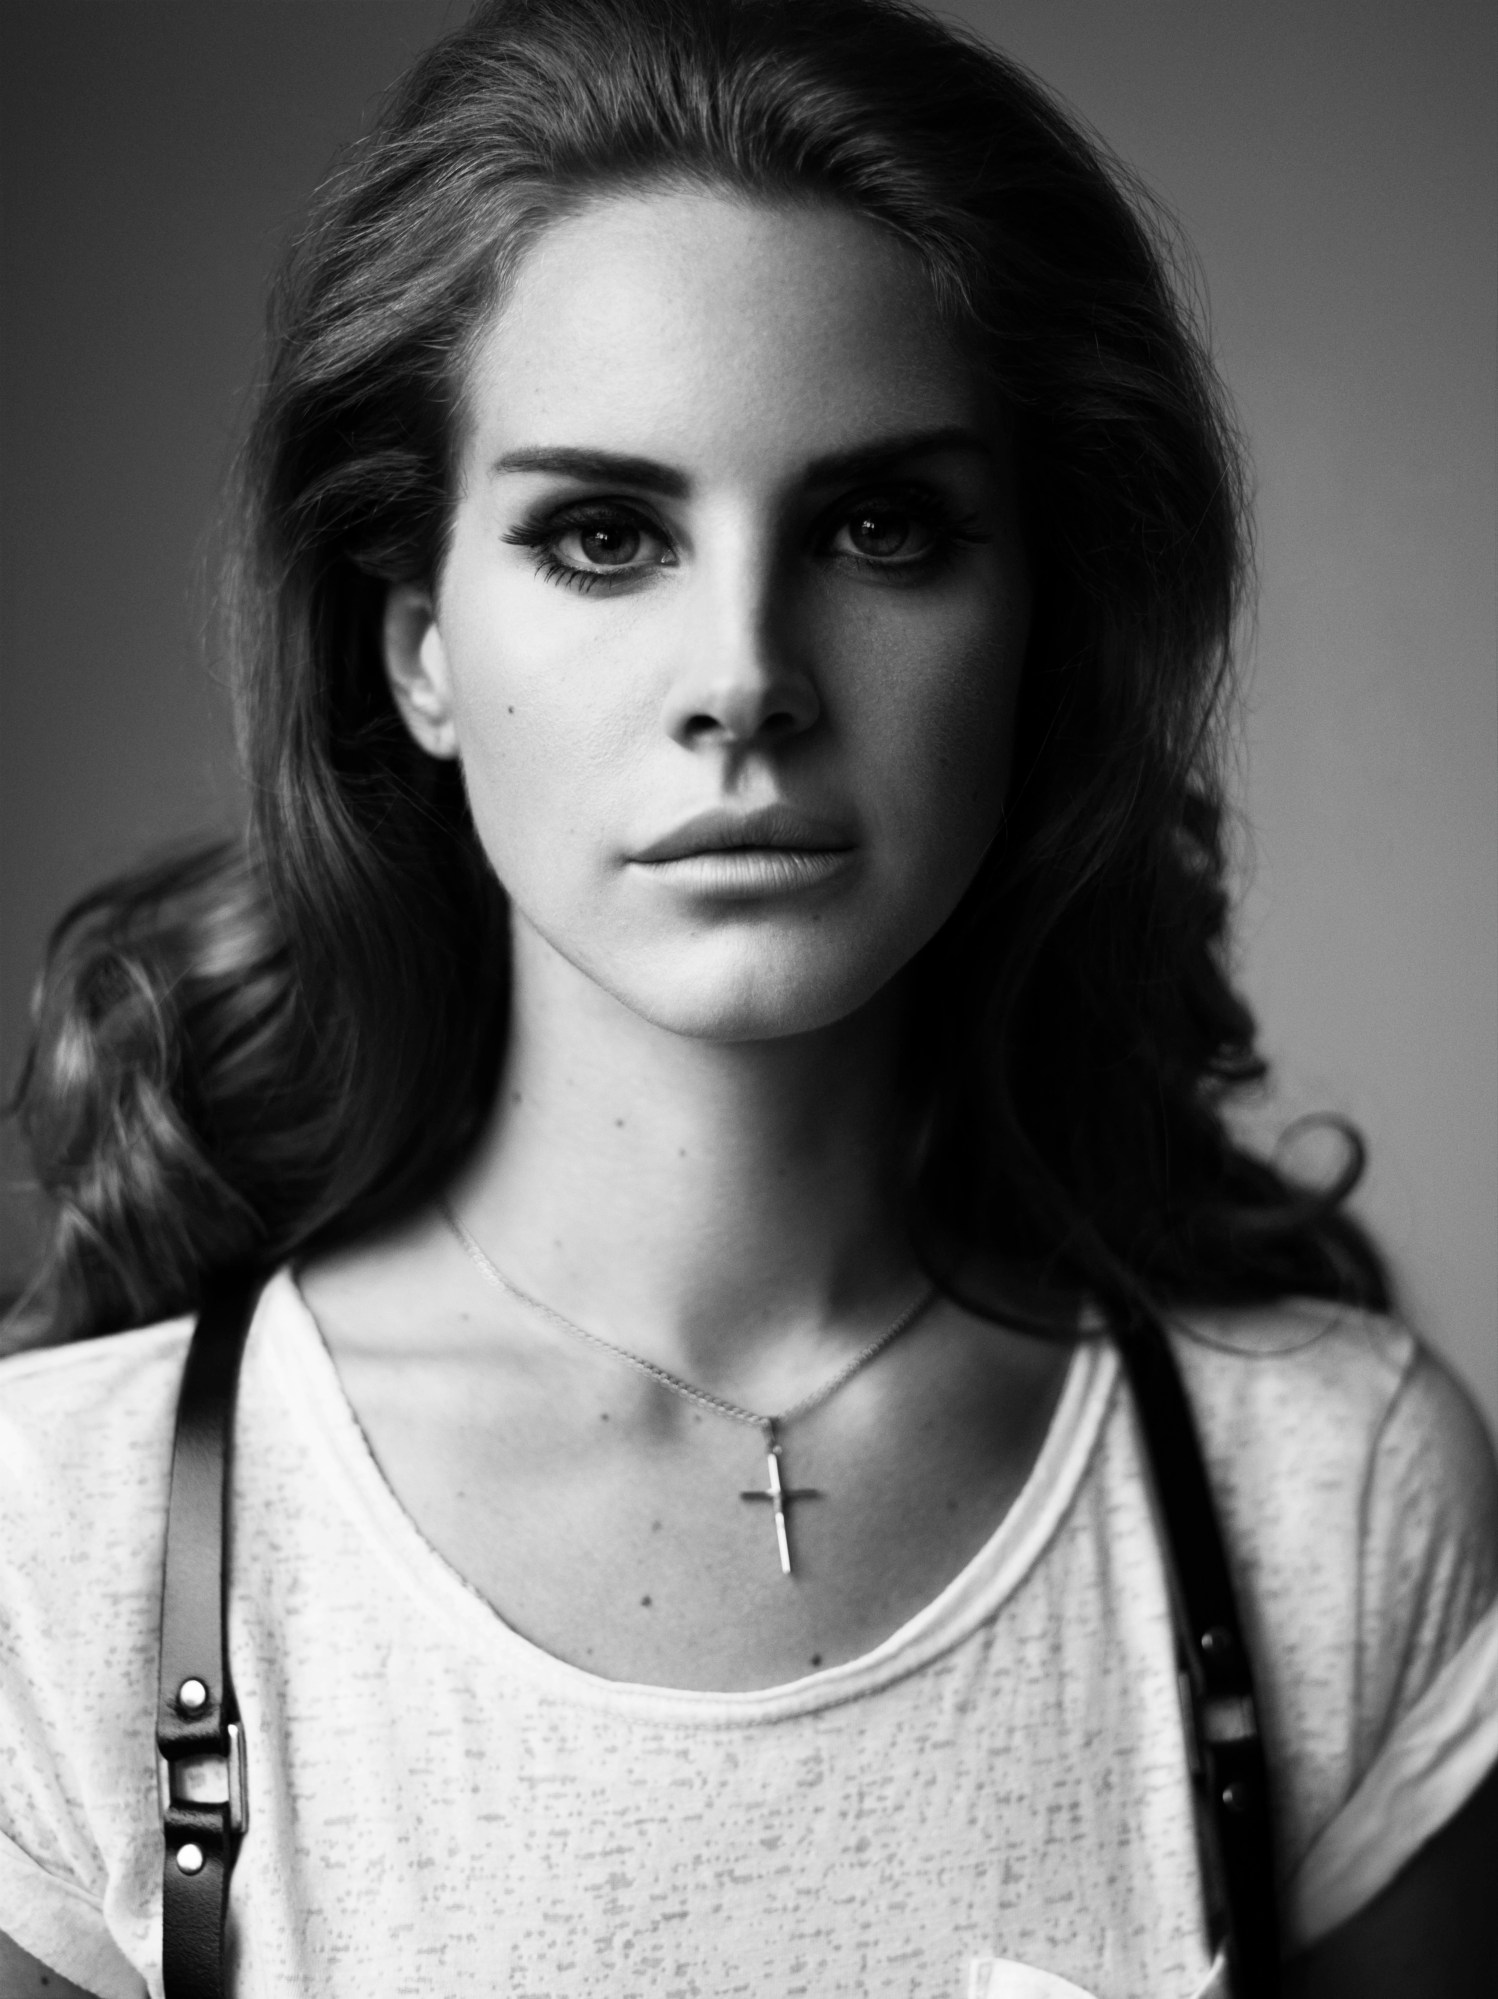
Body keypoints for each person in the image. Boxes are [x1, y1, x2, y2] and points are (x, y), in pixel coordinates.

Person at [1, 0, 1494, 1993]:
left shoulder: (1325, 1494)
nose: (745, 675)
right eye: (602, 535)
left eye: (881, 528)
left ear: (1039, 622)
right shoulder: (60, 1541)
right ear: (419, 652)